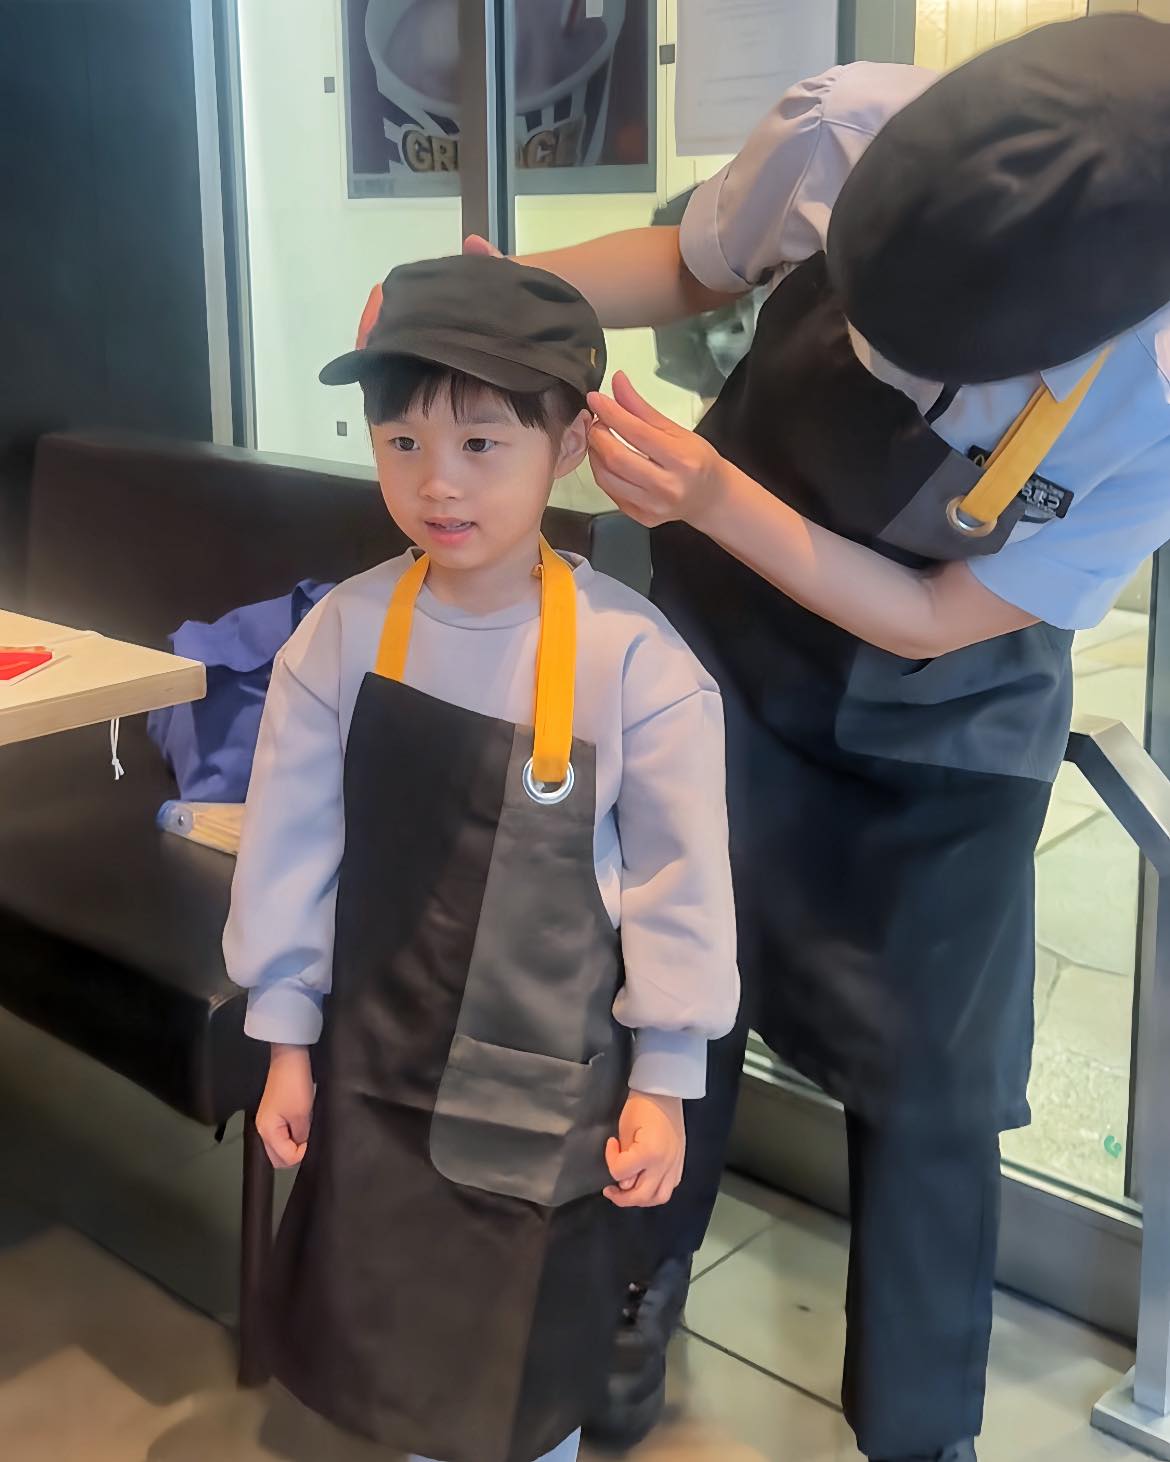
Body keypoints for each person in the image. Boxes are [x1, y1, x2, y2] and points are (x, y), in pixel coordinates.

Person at [466, 14, 1170, 1462]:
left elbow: (933, 614)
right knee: (668, 984)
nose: (862, 349)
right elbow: (692, 265)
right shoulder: (848, 123)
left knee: (933, 1088)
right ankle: (621, 1318)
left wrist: (714, 497)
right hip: (729, 650)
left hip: (952, 717)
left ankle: (920, 1430)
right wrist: (511, 296)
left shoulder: (1152, 406)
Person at [222, 254, 739, 1462]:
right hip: (375, 1071)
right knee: (404, 1353)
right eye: (401, 443)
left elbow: (678, 890)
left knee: (520, 1376)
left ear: (568, 445)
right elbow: (291, 846)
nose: (436, 482)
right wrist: (284, 1036)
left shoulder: (636, 662)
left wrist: (667, 1076)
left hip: (541, 1095)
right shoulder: (340, 634)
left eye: (481, 444)